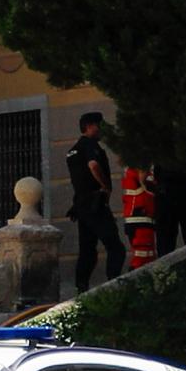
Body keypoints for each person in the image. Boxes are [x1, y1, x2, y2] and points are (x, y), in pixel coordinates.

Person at [65, 114, 129, 290]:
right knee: (116, 248)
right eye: (100, 126)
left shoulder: (73, 150)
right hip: (95, 203)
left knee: (88, 251)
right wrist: (105, 186)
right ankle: (113, 287)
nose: (102, 130)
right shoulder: (90, 145)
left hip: (81, 205)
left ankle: (81, 289)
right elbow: (93, 165)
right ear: (90, 126)